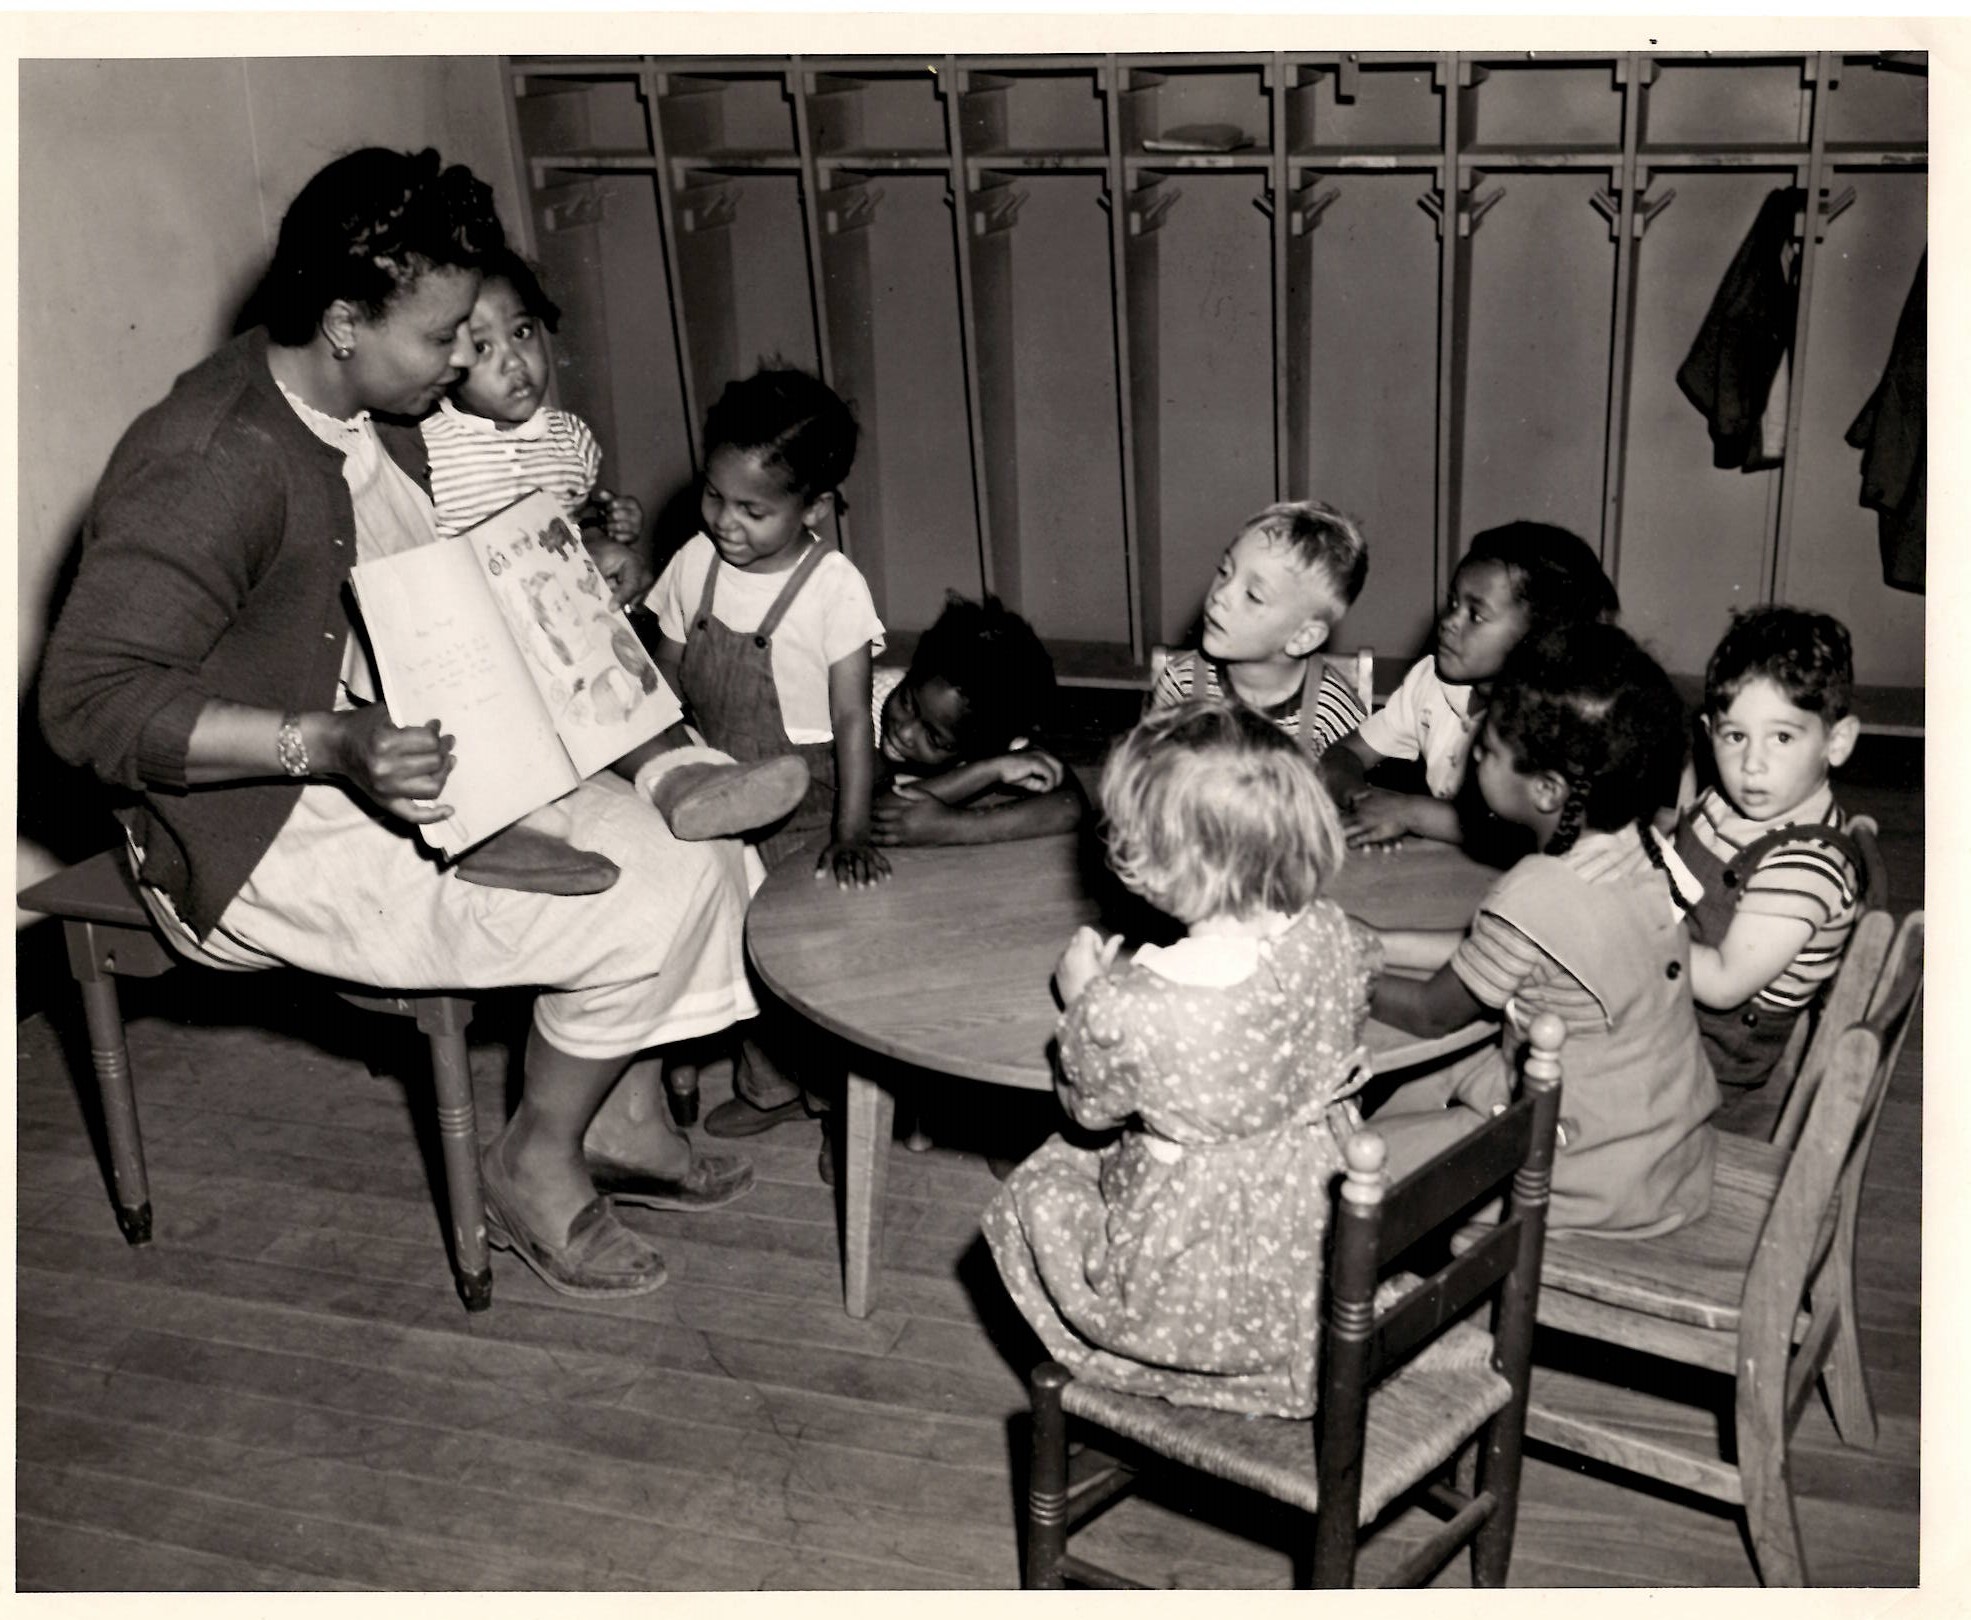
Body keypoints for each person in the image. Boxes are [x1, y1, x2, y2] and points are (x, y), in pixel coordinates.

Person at [37, 146, 760, 1302]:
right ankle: (534, 1161)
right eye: (442, 341)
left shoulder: (384, 407)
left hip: (404, 751)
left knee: (709, 853)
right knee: (646, 896)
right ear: (339, 320)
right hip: (259, 826)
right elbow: (84, 705)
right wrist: (322, 745)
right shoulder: (211, 461)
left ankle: (613, 1113)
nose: (465, 361)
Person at [981, 699, 1380, 1417]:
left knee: (1035, 1186)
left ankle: (1152, 1370)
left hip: (1198, 1270)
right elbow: (1340, 1011)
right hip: (1320, 1230)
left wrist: (1083, 1000)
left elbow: (1089, 1111)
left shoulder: (1133, 1005)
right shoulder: (1330, 931)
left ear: (1154, 864)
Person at [426, 248, 809, 849]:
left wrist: (607, 531)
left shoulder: (567, 438)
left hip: (561, 619)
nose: (515, 362)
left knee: (630, 675)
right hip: (486, 632)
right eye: (482, 347)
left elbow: (572, 521)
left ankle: (692, 773)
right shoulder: (436, 446)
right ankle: (669, 779)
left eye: (522, 333)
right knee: (582, 693)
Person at [1367, 622, 1717, 1237]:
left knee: (1341, 1174)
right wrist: (1377, 940)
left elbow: (1429, 1012)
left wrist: (1344, 965)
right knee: (1421, 1086)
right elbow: (1496, 957)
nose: (1475, 749)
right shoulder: (1637, 847)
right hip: (1662, 1151)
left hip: (1577, 1172)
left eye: (1489, 750)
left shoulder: (1535, 890)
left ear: (1549, 789)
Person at [644, 364, 887, 1139]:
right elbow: (667, 680)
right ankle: (770, 1084)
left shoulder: (833, 588)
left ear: (813, 507)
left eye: (754, 509)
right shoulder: (693, 564)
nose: (726, 522)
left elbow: (854, 721)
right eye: (715, 497)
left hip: (808, 799)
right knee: (730, 941)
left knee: (805, 960)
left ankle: (837, 1118)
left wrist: (852, 829)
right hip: (713, 781)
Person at [1321, 520, 1618, 850]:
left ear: (1539, 637)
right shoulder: (1431, 682)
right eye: (1452, 604)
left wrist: (1410, 812)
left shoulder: (1554, 719)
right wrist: (1359, 797)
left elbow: (1524, 833)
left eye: (1475, 615)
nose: (1448, 622)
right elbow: (1342, 754)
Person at [1675, 607, 1867, 1090]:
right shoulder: (1723, 803)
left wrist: (1630, 926)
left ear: (1836, 741)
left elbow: (1722, 984)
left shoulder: (1805, 865)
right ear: (1709, 733)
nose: (1752, 764)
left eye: (1782, 736)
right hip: (1677, 1006)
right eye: (1735, 736)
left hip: (1710, 1059)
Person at [1147, 500, 1370, 763]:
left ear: (1302, 637)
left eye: (1253, 595)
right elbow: (1151, 771)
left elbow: (1348, 795)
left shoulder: (1333, 713)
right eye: (1224, 571)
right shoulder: (1182, 683)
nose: (1221, 594)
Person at [868, 593, 1087, 848]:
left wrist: (954, 827)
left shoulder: (992, 735)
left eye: (932, 738)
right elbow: (871, 812)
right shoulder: (870, 699)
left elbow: (1071, 805)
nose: (904, 731)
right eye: (907, 702)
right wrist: (989, 770)